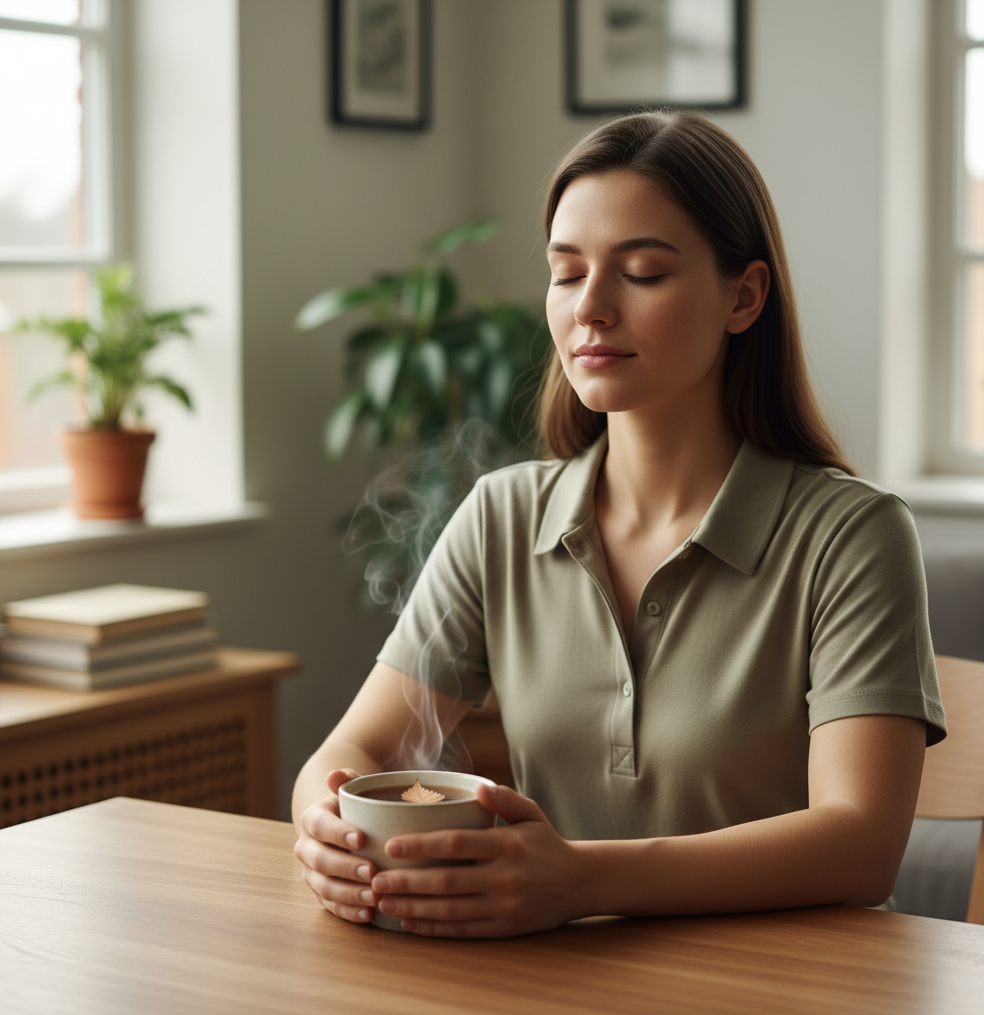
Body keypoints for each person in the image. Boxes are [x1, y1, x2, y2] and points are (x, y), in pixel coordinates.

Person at [292, 110, 946, 939]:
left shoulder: (853, 537)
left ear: (743, 297)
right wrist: (325, 826)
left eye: (640, 273)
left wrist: (579, 879)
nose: (591, 309)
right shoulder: (502, 517)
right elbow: (353, 754)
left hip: (794, 987)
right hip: (565, 981)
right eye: (567, 274)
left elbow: (861, 844)